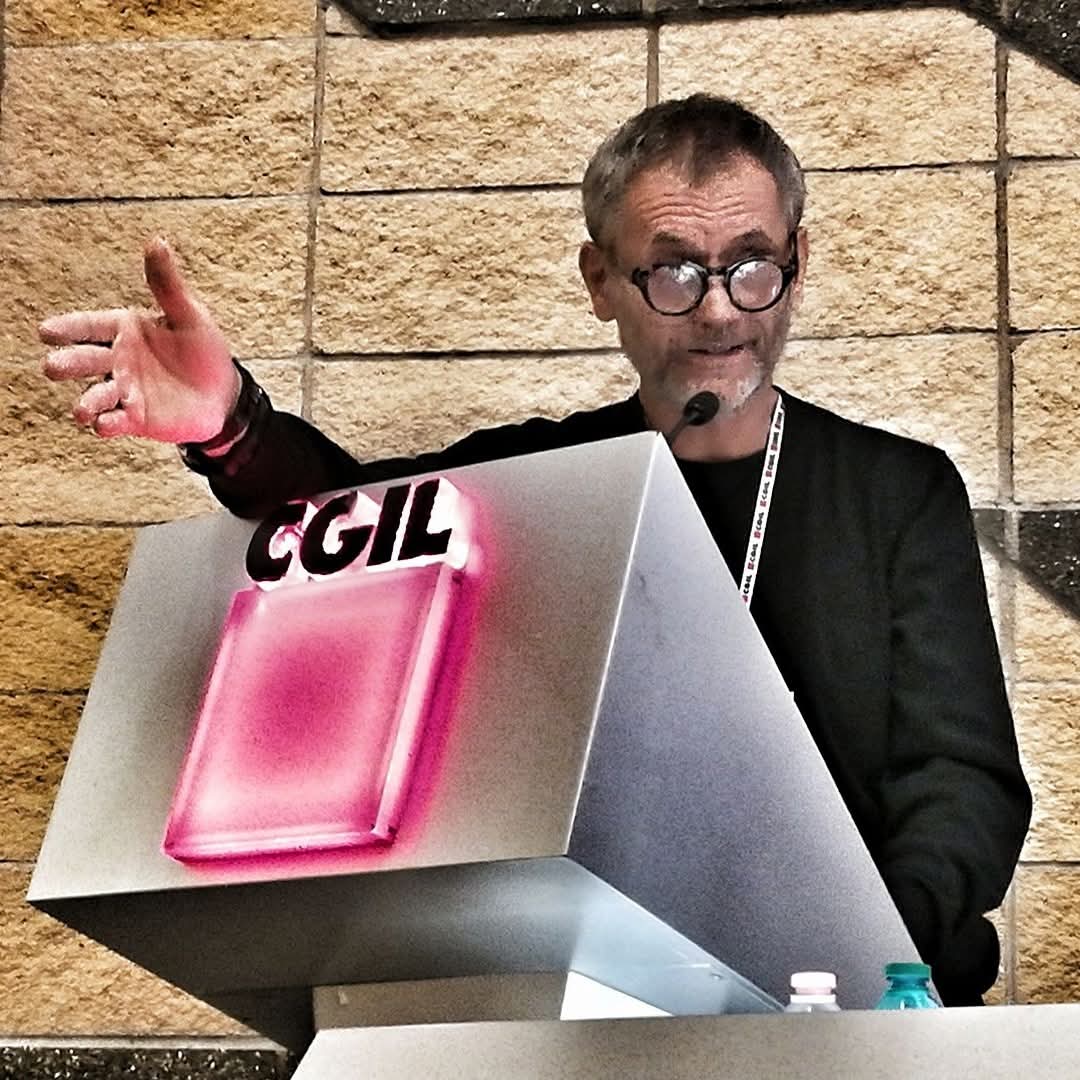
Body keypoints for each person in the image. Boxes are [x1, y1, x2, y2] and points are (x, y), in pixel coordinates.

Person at [39, 94, 1030, 1005]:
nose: (722, 309)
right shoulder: (547, 478)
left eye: (752, 265)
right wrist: (233, 424)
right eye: (674, 272)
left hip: (858, 1003)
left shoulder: (897, 490)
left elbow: (963, 781)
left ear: (797, 263)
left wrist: (861, 956)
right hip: (595, 999)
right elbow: (354, 517)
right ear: (601, 280)